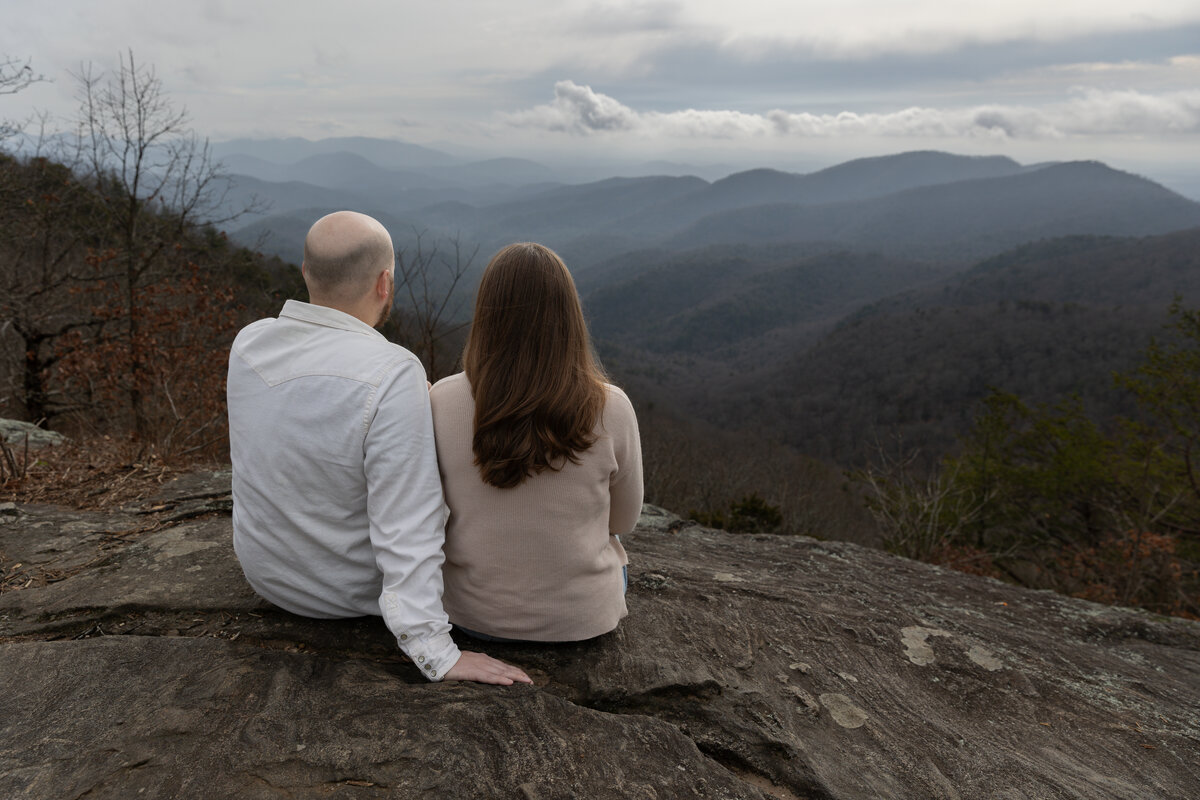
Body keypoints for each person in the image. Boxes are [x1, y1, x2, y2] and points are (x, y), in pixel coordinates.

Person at [227, 211, 530, 685]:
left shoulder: (249, 343)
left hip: (269, 579)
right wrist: (435, 651)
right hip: (346, 595)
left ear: (306, 272)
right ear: (384, 282)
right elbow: (409, 519)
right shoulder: (391, 371)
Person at [430, 242, 643, 642]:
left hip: (472, 615)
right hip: (583, 620)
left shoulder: (441, 399)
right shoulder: (611, 406)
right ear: (569, 317)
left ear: (486, 315)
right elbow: (624, 522)